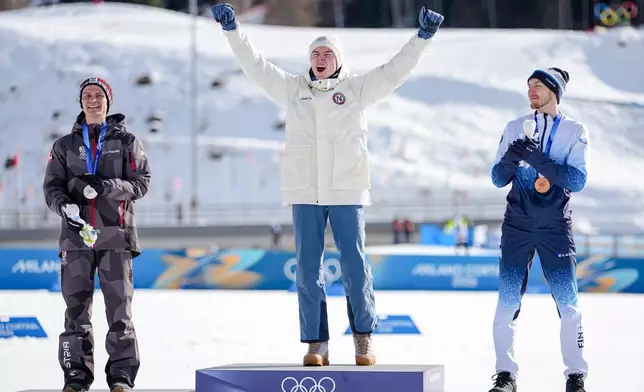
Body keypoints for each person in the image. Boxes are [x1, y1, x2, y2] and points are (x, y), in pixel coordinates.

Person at [211, 3, 443, 366]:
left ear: (338, 60)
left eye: (327, 54)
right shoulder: (292, 89)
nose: (320, 59)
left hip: (347, 190)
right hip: (305, 191)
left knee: (354, 264)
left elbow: (394, 71)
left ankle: (363, 339)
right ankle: (316, 344)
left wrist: (422, 39)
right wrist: (233, 30)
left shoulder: (356, 90)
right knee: (307, 268)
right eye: (315, 54)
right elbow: (255, 66)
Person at [43, 77, 151, 392]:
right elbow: (51, 188)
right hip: (76, 241)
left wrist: (108, 186)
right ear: (81, 102)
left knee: (120, 312)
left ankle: (121, 378)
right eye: (87, 96)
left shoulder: (127, 141)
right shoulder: (64, 146)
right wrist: (66, 208)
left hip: (116, 238)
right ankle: (75, 377)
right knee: (75, 313)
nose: (93, 101)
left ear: (108, 102)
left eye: (99, 96)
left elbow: (141, 182)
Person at [489, 68, 589, 392]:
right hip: (517, 224)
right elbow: (497, 178)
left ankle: (575, 376)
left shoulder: (574, 130)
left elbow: (577, 179)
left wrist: (536, 157)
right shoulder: (514, 126)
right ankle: (506, 375)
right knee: (506, 302)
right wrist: (511, 159)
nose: (531, 90)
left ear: (554, 91)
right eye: (528, 85)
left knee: (568, 303)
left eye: (538, 85)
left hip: (555, 226)